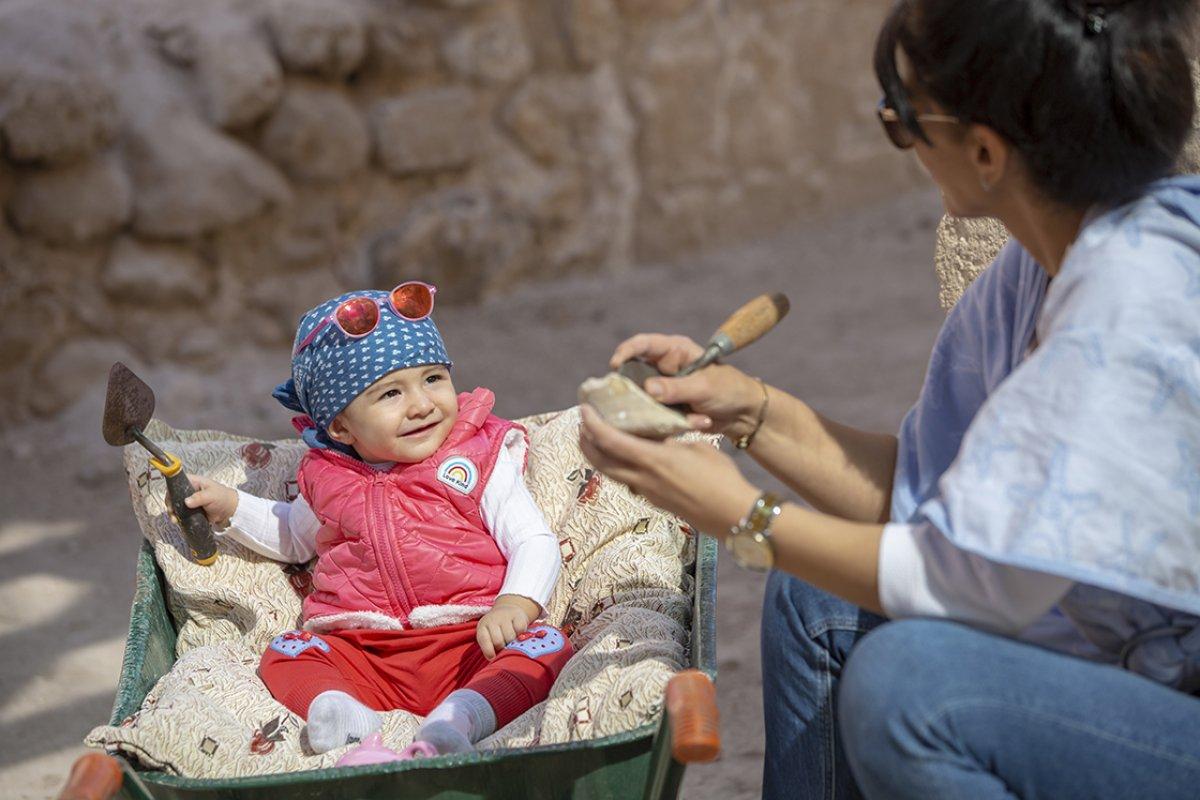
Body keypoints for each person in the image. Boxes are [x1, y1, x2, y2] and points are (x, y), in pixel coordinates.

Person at [578, 0, 1200, 797]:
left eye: (902, 118)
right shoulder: (1031, 279)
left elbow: (962, 577)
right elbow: (928, 500)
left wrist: (742, 516)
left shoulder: (1130, 304)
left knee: (913, 690)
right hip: (1122, 667)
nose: (900, 138)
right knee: (813, 592)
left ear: (984, 150)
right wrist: (748, 412)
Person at [185, 283, 572, 763]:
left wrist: (516, 600)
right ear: (341, 427)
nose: (422, 404)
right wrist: (232, 506)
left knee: (547, 647)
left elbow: (532, 539)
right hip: (363, 648)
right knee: (285, 652)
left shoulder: (476, 459)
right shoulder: (328, 477)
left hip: (470, 638)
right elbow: (293, 536)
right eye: (390, 393)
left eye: (433, 378)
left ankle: (464, 717)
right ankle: (341, 712)